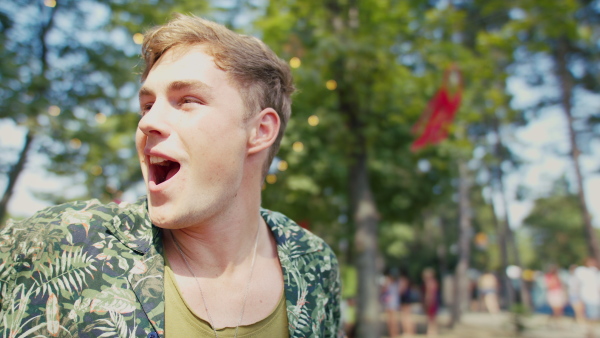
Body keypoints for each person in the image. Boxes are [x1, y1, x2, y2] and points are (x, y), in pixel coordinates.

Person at [0, 14, 341, 338]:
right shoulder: (61, 242)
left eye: (187, 100)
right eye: (147, 105)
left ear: (260, 131)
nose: (147, 122)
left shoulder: (314, 264)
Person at [381, 268, 400, 338]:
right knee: (391, 320)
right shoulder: (395, 283)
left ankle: (394, 334)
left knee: (392, 320)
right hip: (391, 303)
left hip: (391, 303)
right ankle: (392, 334)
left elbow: (383, 290)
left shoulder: (392, 283)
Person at [422, 268, 439, 337]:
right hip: (434, 301)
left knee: (431, 318)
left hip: (431, 302)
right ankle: (432, 331)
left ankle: (431, 332)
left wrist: (427, 302)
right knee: (432, 318)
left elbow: (429, 294)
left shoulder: (430, 283)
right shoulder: (434, 282)